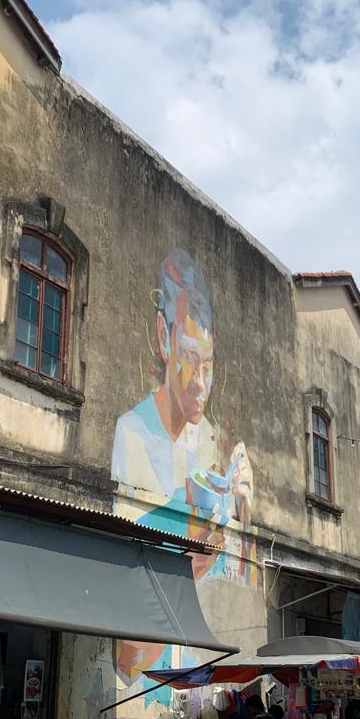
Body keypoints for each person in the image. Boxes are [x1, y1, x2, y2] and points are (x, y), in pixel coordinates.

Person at [111, 249, 254, 583]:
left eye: (208, 364)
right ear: (163, 337)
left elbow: (235, 579)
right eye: (190, 358)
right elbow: (126, 570)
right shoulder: (132, 434)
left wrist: (244, 514)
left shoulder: (212, 442)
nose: (200, 383)